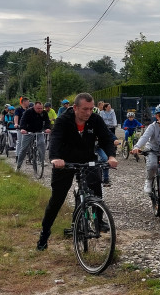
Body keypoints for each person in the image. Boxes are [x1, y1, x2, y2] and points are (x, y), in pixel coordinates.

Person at [36, 93, 118, 251]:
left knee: (96, 190)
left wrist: (111, 156)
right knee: (57, 199)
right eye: (84, 109)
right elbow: (55, 139)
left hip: (87, 160)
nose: (88, 113)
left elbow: (106, 139)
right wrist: (54, 158)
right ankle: (44, 234)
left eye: (90, 109)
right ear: (75, 108)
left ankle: (98, 220)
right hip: (64, 162)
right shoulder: (63, 121)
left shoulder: (95, 120)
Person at [16, 101, 52, 172]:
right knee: (23, 149)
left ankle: (42, 160)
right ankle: (18, 166)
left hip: (39, 131)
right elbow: (23, 121)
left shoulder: (44, 113)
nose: (40, 110)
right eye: (38, 108)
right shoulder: (28, 112)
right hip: (28, 132)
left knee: (42, 144)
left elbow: (47, 121)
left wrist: (48, 128)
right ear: (34, 107)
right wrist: (22, 129)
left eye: (41, 108)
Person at [97, 102, 118, 185]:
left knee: (105, 159)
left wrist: (115, 139)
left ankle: (106, 179)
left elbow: (109, 133)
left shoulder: (101, 126)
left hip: (99, 146)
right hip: (89, 147)